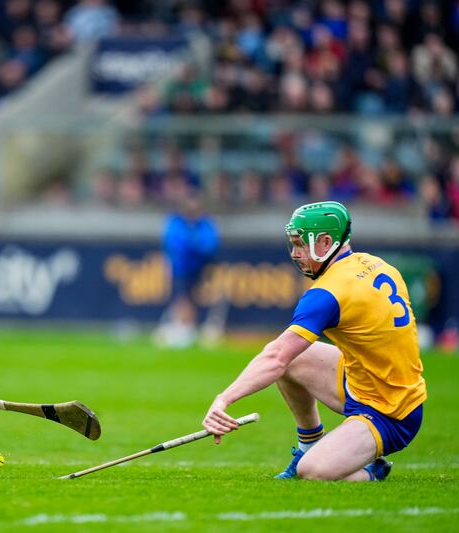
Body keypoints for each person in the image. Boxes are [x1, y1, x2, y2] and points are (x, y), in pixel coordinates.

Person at [202, 201, 426, 481]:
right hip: (368, 381)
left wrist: (224, 399)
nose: (295, 254)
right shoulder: (376, 264)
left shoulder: (327, 292)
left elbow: (274, 358)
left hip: (390, 411)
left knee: (312, 471)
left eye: (300, 244)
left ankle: (371, 472)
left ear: (324, 242)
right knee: (292, 356)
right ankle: (310, 444)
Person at [154, 195, 219, 348]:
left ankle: (188, 329)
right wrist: (194, 245)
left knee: (194, 299)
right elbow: (175, 243)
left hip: (200, 269)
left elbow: (210, 244)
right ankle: (183, 329)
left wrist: (192, 245)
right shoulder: (176, 222)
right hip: (180, 269)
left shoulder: (205, 224)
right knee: (182, 298)